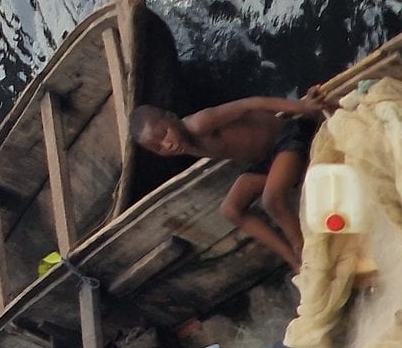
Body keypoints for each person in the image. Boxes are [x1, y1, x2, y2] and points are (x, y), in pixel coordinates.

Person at [131, 93, 334, 269]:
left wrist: (303, 107)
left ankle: (304, 250)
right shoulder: (186, 145)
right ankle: (293, 260)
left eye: (164, 133)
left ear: (171, 117)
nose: (168, 145)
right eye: (159, 148)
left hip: (289, 137)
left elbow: (251, 104)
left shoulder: (200, 123)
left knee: (271, 200)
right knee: (230, 209)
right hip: (269, 160)